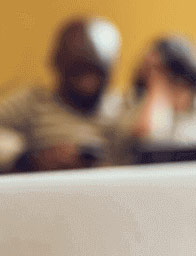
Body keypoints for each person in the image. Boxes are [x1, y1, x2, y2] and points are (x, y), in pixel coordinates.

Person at [0, 17, 122, 172]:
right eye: (78, 71)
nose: (87, 83)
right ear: (57, 63)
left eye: (95, 72)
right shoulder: (34, 102)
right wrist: (28, 159)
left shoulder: (121, 107)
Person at [117, 35, 196, 159]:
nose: (176, 92)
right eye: (168, 82)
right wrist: (157, 87)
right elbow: (143, 137)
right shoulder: (130, 108)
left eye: (179, 83)